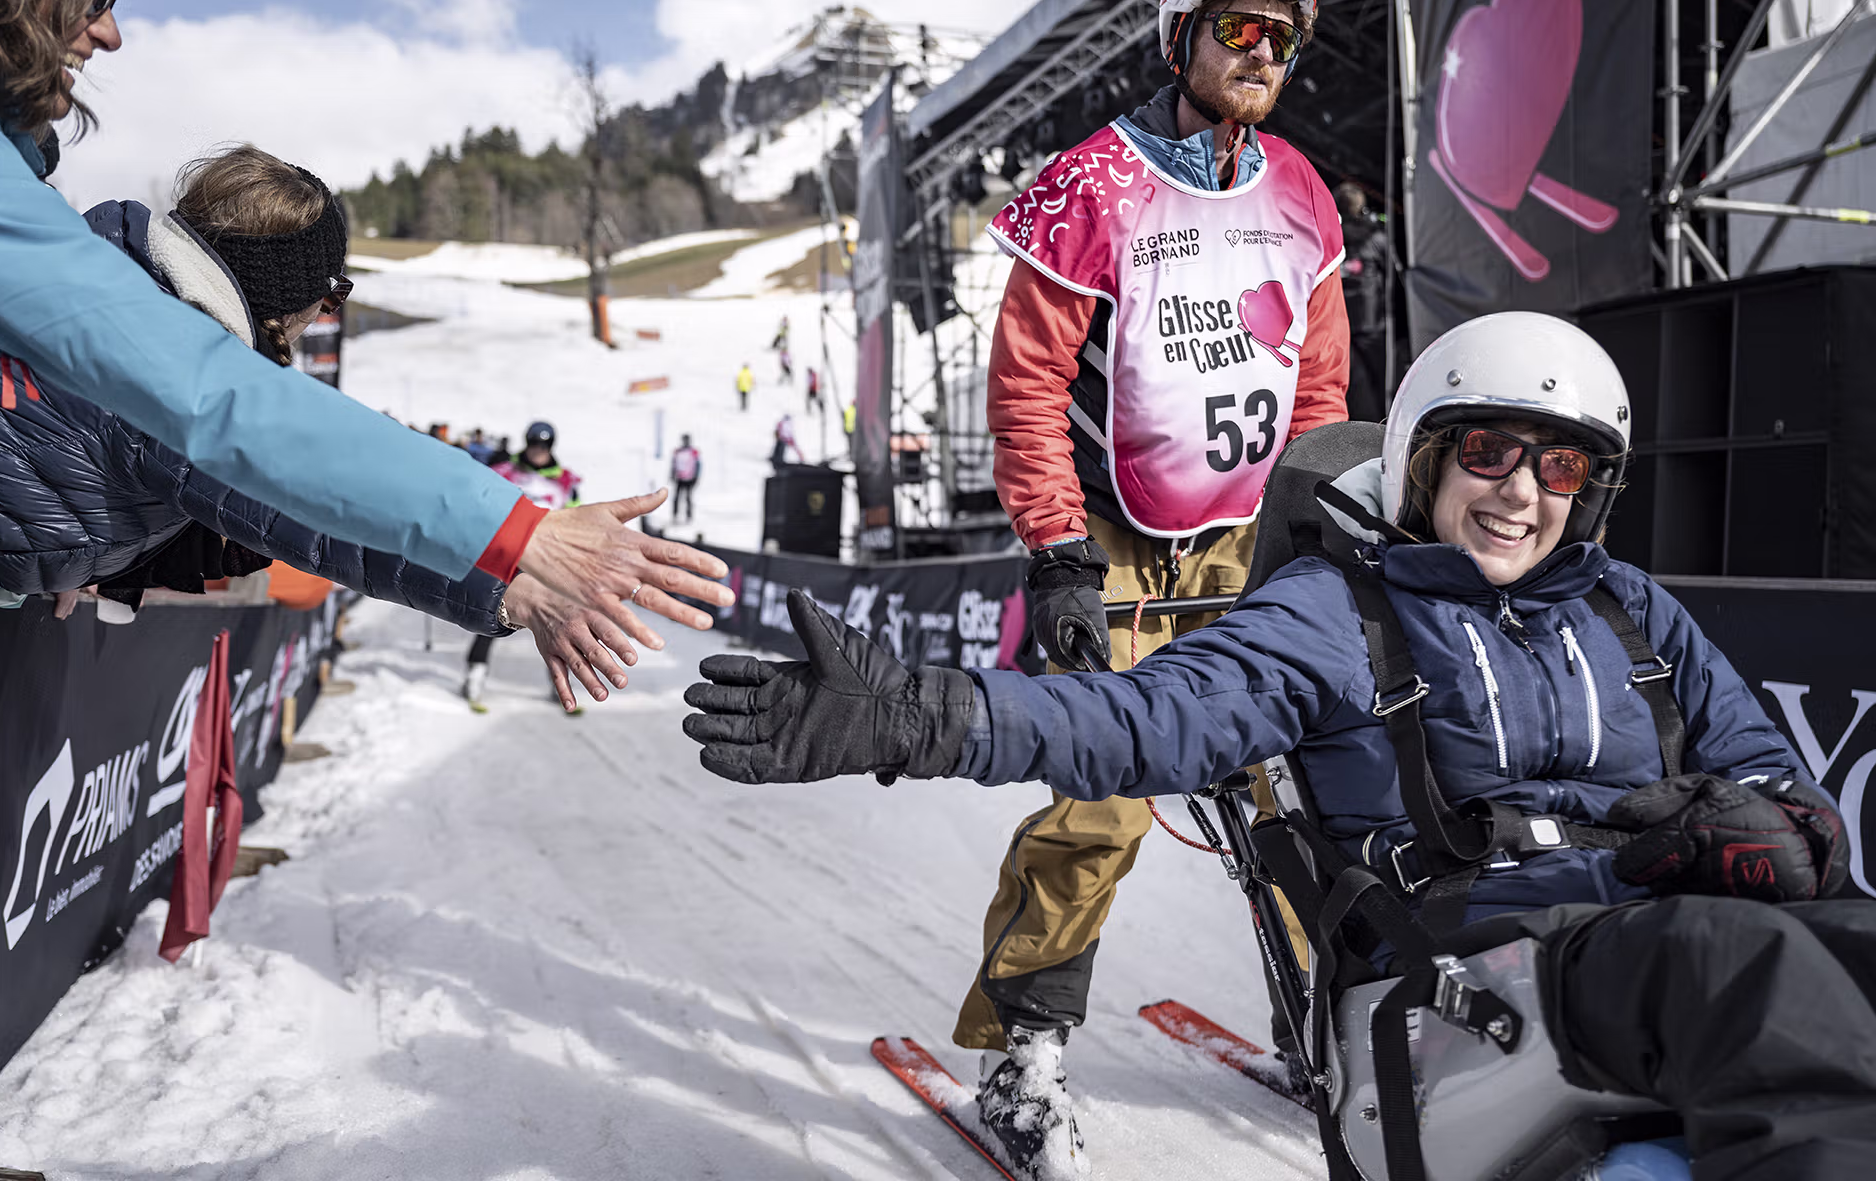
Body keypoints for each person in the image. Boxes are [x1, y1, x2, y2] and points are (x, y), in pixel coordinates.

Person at [686, 313, 1876, 1181]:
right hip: (1456, 997)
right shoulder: (1337, 609)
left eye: (1559, 463)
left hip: (1641, 952)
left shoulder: (1632, 611)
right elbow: (1140, 721)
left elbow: (1768, 765)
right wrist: (916, 713)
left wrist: (1780, 824)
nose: (1522, 492)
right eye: (1489, 452)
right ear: (1425, 456)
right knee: (1743, 966)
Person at [0, 0, 731, 681]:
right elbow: (287, 486)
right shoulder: (152, 329)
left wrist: (85, 558)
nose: (110, 30)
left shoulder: (44, 205)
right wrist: (518, 555)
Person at [952, 0, 1349, 1163]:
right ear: (1182, 35)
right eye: (1240, 27)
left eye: (1283, 36)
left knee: (1300, 786)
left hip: (1250, 540)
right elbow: (1023, 389)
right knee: (1104, 799)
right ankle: (1025, 1057)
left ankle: (1323, 1018)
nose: (1264, 52)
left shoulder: (1301, 191)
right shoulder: (1092, 185)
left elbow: (1323, 390)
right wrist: (1058, 549)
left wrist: (1323, 528)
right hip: (1118, 543)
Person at [0, 147, 633, 707]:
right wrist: (512, 589)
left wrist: (95, 549)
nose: (324, 318)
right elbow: (330, 518)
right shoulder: (188, 381)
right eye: (330, 297)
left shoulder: (91, 259)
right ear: (282, 301)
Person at [465, 421, 583, 710]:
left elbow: (573, 519)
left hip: (545, 560)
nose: (538, 452)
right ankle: (474, 678)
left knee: (553, 623)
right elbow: (479, 504)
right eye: (533, 445)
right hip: (505, 557)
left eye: (543, 447)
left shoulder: (565, 481)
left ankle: (560, 685)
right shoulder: (505, 471)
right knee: (491, 616)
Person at [1336, 181, 1392, 420]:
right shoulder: (1377, 237)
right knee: (1381, 380)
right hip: (1371, 324)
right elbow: (1395, 278)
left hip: (1340, 325)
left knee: (1346, 385)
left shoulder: (1327, 236)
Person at [670, 435, 701, 524]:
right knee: (677, 498)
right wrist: (672, 475)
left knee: (688, 498)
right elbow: (674, 464)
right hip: (679, 478)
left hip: (690, 478)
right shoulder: (678, 451)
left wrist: (696, 477)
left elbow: (698, 465)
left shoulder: (693, 452)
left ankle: (689, 516)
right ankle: (675, 515)